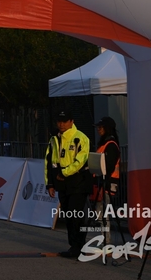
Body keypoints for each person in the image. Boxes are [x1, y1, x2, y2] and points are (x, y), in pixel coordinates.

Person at [45, 110, 93, 258]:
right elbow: (49, 162)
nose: (61, 124)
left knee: (76, 215)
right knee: (68, 215)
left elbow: (81, 161)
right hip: (62, 183)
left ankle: (78, 246)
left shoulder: (81, 138)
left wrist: (64, 173)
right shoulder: (54, 139)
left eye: (64, 121)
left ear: (71, 121)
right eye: (59, 121)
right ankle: (74, 246)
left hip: (78, 182)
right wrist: (50, 184)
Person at [93, 116, 121, 245]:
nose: (98, 129)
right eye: (98, 127)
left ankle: (106, 241)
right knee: (101, 213)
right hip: (102, 183)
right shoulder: (105, 144)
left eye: (101, 127)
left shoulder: (111, 145)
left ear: (107, 128)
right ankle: (105, 240)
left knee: (103, 214)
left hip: (107, 184)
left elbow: (109, 166)